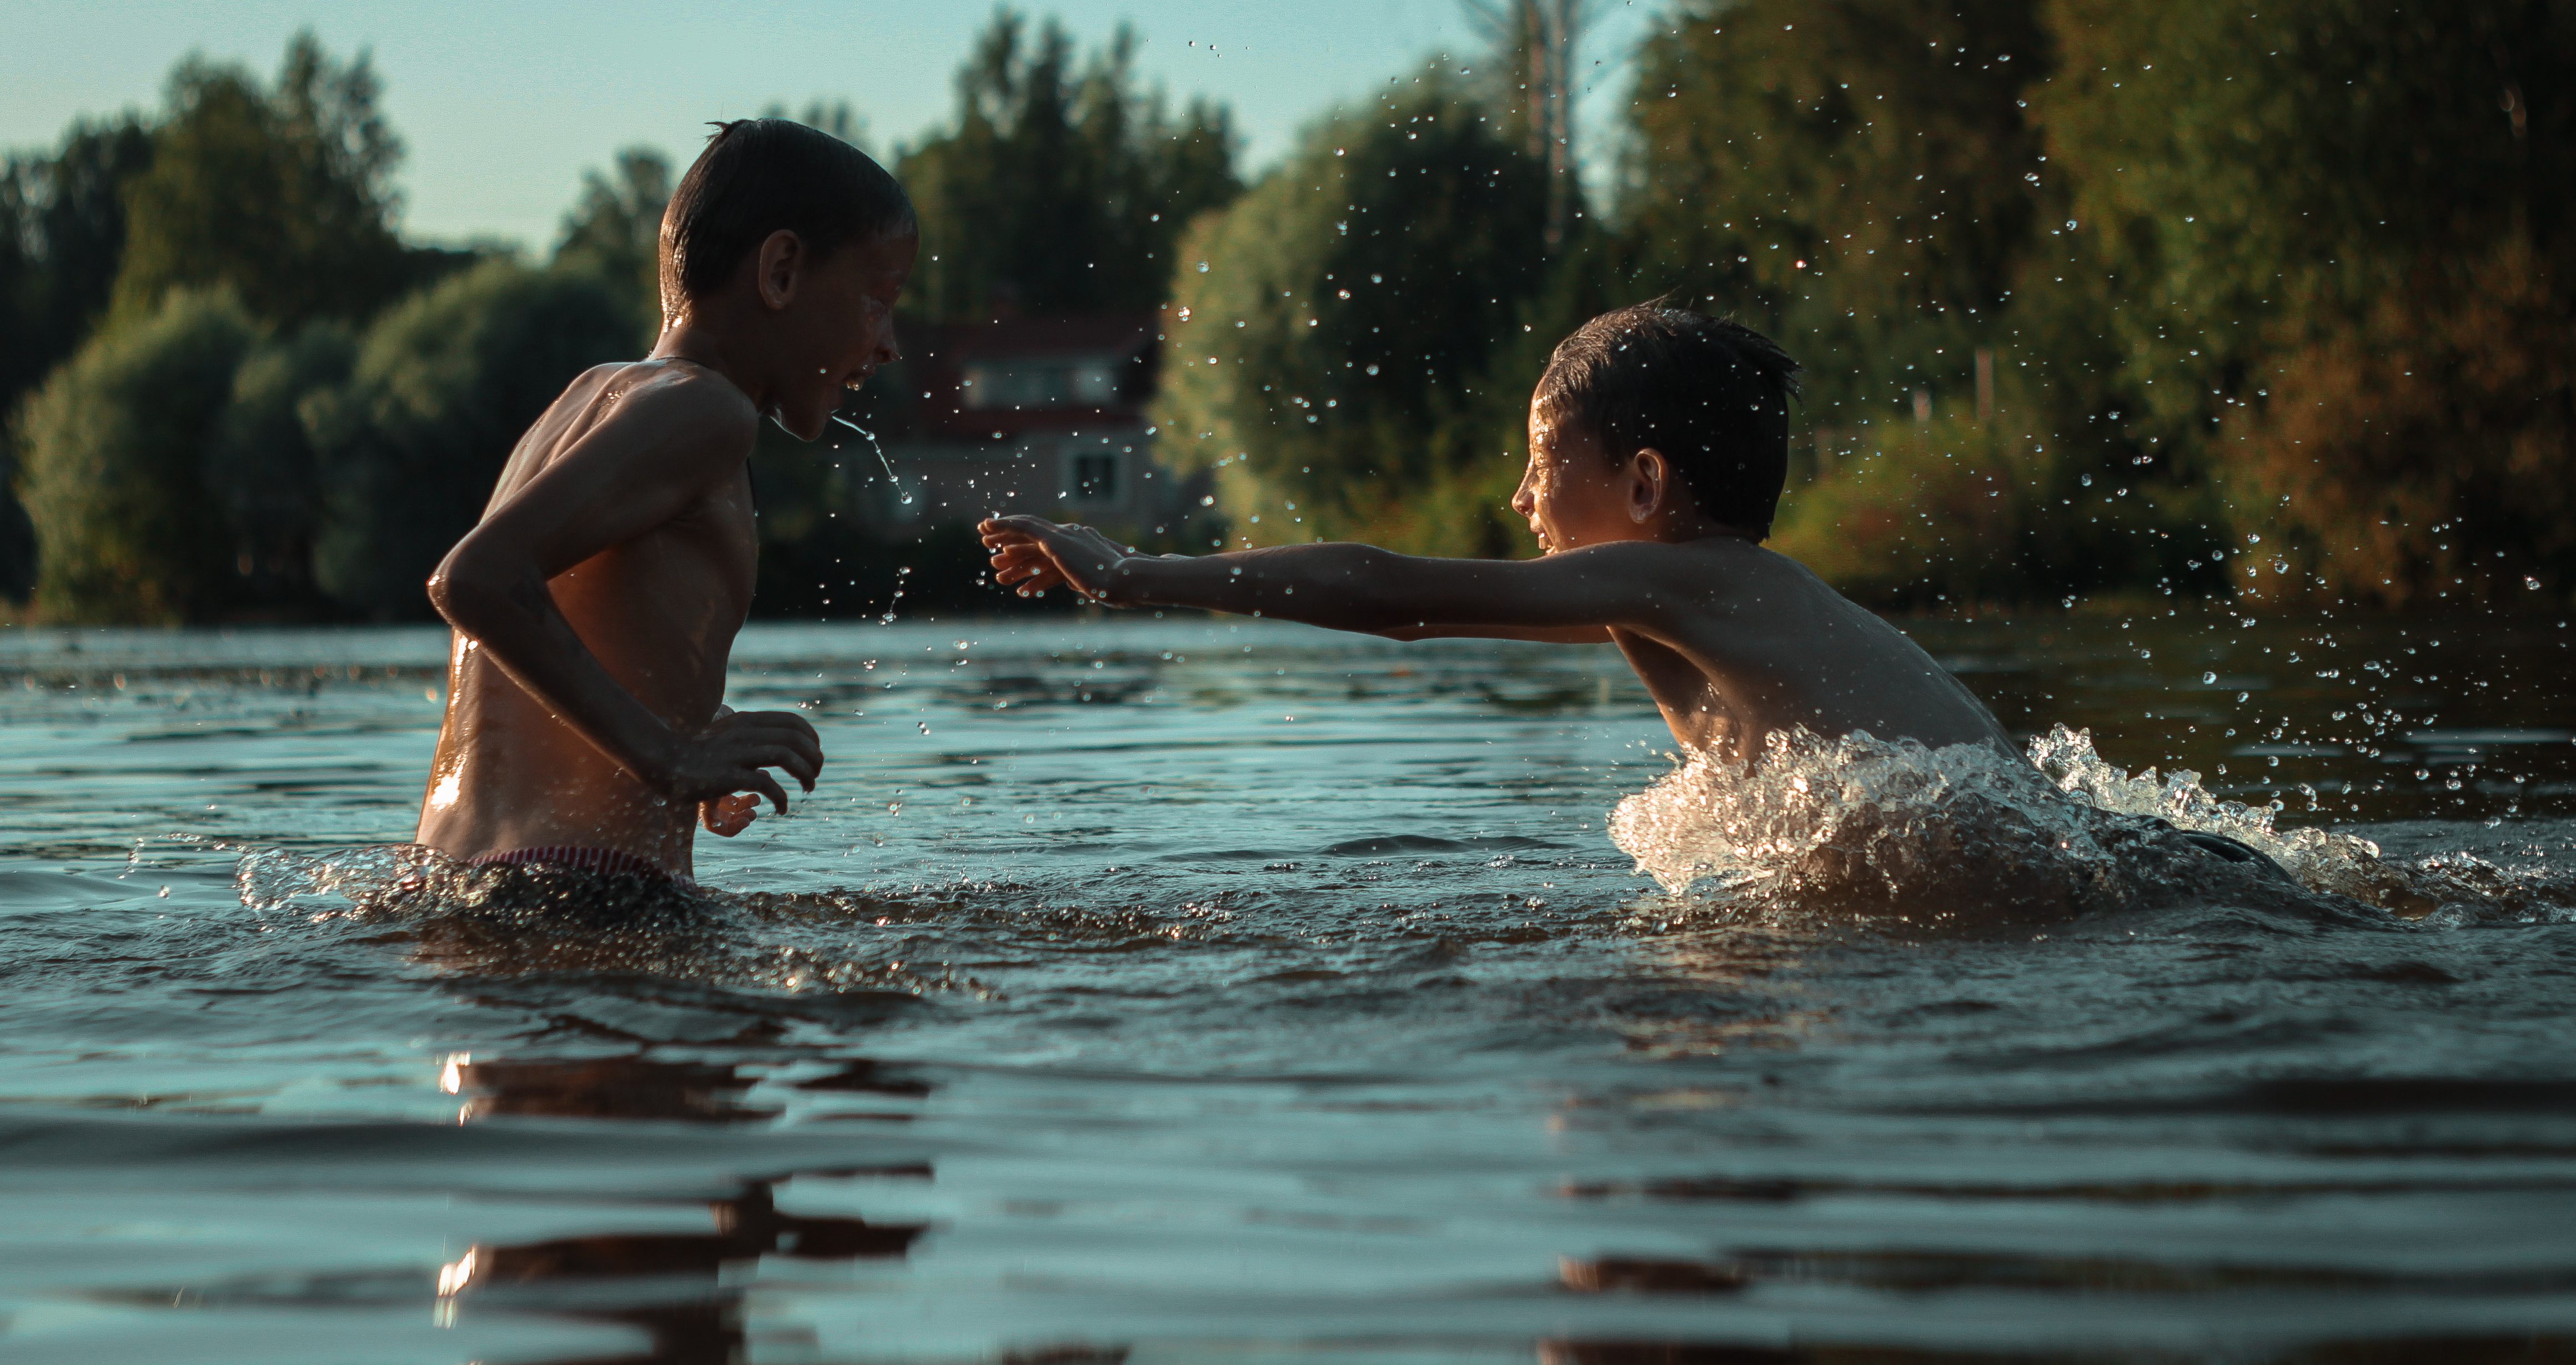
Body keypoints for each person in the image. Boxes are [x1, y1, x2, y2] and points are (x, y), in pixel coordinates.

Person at [981, 303, 2019, 765]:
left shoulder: (1688, 586)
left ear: (1644, 485)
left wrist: (1134, 573)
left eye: (1539, 463)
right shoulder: (1717, 605)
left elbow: (1390, 595)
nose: (1521, 500)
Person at [412, 119, 913, 886]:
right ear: (780, 270)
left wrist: (693, 728)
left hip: (458, 877)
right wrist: (668, 756)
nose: (889, 345)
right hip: (582, 887)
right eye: (878, 301)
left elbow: (578, 612)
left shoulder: (587, 398)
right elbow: (476, 578)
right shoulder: (708, 410)